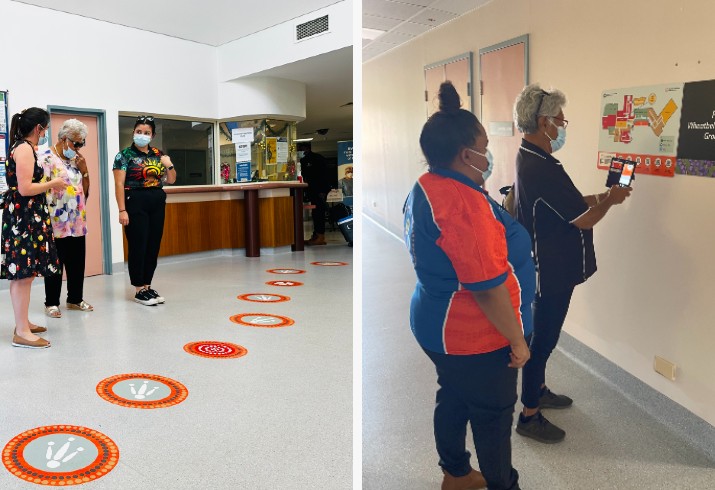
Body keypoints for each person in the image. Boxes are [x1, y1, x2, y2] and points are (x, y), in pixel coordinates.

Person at [403, 81, 533, 490]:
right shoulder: (463, 205)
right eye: (484, 144)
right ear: (466, 154)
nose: (488, 151)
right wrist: (517, 340)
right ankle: (501, 484)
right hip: (471, 336)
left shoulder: (430, 184)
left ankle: (456, 473)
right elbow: (487, 288)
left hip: (435, 324)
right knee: (493, 417)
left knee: (455, 393)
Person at [512, 84, 632, 443]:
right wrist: (609, 200)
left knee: (545, 338)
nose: (563, 126)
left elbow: (564, 203)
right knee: (543, 341)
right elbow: (584, 220)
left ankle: (540, 390)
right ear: (545, 121)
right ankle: (529, 415)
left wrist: (602, 196)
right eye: (561, 120)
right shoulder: (540, 166)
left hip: (551, 263)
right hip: (548, 269)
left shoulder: (533, 157)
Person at [2, 108, 67, 348]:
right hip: (24, 218)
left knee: (24, 275)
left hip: (25, 216)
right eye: (46, 127)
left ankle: (23, 323)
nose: (46, 132)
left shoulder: (22, 147)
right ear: (39, 128)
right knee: (23, 275)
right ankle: (21, 332)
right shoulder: (24, 149)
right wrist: (53, 183)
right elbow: (25, 189)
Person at [112, 115, 176, 306]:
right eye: (139, 131)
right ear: (133, 132)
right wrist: (122, 210)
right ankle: (139, 288)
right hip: (134, 201)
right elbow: (118, 183)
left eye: (147, 132)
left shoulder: (158, 154)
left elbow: (171, 180)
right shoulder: (123, 156)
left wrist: (169, 164)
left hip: (156, 201)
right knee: (138, 244)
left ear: (153, 135)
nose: (142, 135)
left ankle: (147, 285)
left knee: (153, 244)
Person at [39, 119, 93, 318]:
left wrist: (85, 170)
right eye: (76, 143)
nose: (79, 147)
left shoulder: (76, 160)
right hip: (55, 221)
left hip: (77, 220)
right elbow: (39, 188)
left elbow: (84, 192)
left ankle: (75, 299)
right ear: (63, 139)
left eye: (82, 143)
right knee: (55, 264)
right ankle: (51, 303)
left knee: (77, 262)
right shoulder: (45, 157)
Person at [298, 143, 331, 245]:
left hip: (320, 189)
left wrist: (322, 191)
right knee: (316, 213)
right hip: (312, 189)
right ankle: (316, 235)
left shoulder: (317, 158)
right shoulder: (304, 160)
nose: (300, 152)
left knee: (319, 213)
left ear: (307, 148)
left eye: (301, 149)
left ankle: (320, 236)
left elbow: (323, 175)